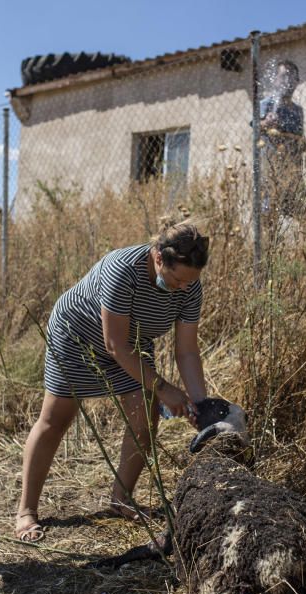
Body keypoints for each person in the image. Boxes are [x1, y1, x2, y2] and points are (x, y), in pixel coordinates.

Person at [14, 222, 210, 542]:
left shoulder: (190, 286)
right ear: (158, 257)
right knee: (55, 420)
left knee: (145, 418)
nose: (183, 289)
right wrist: (163, 388)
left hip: (132, 342)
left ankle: (121, 499)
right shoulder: (123, 269)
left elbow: (187, 351)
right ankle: (26, 511)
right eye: (177, 280)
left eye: (190, 282)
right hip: (77, 337)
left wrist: (201, 407)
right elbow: (114, 345)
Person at [258, 60, 306, 235]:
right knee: (269, 228)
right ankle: (267, 260)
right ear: (275, 80)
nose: (288, 81)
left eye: (293, 77)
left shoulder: (297, 111)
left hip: (294, 178)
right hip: (272, 177)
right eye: (284, 75)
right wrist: (265, 123)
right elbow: (255, 129)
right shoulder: (266, 104)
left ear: (297, 82)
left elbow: (298, 139)